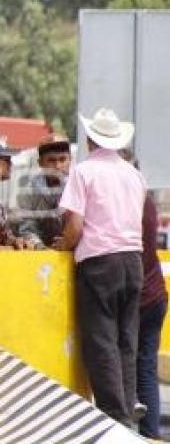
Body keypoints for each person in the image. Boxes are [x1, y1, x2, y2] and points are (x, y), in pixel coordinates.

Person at [55, 109, 145, 427]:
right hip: (133, 260)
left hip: (99, 262)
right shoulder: (134, 174)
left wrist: (62, 244)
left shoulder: (84, 172)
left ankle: (115, 417)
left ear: (91, 138)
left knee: (101, 340)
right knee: (125, 338)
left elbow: (75, 225)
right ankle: (129, 408)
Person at [119, 149, 168, 438]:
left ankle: (125, 431)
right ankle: (150, 434)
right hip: (156, 296)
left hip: (136, 299)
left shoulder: (125, 206)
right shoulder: (147, 202)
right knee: (146, 367)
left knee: (125, 364)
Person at [16, 134, 71, 249]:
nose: (57, 166)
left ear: (70, 159)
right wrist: (41, 248)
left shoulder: (79, 185)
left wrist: (70, 240)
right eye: (51, 160)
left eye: (62, 159)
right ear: (40, 162)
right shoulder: (28, 191)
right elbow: (27, 229)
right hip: (41, 254)